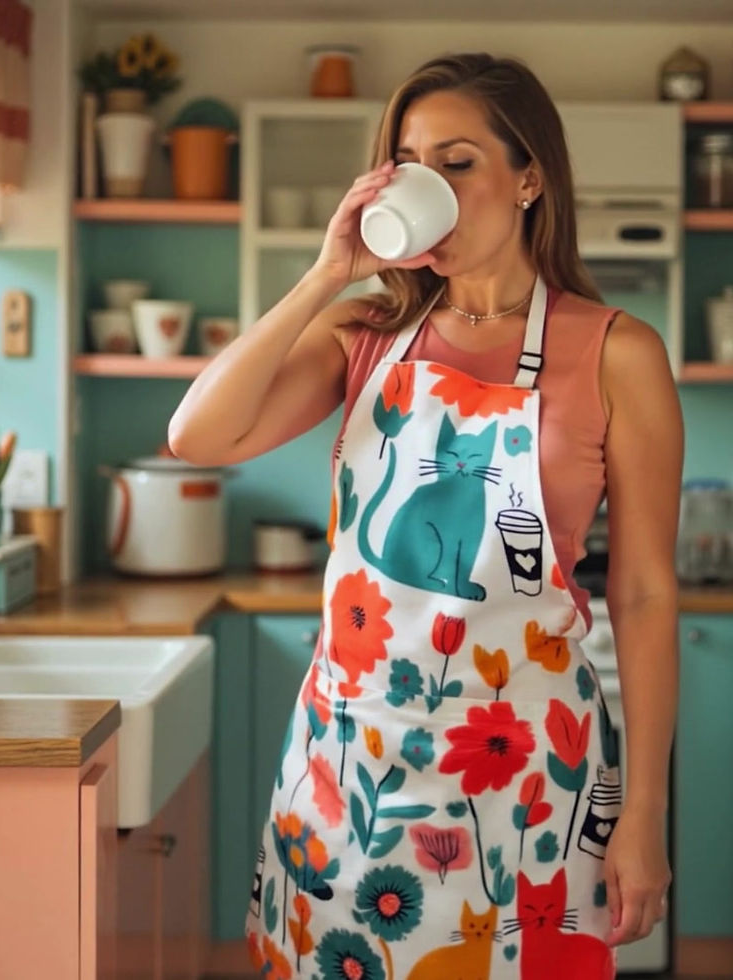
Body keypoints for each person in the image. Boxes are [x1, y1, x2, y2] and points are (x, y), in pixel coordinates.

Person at [169, 52, 682, 980]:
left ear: (530, 178)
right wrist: (327, 272)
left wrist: (641, 814)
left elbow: (645, 594)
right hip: (348, 769)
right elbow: (197, 436)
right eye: (410, 162)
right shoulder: (363, 333)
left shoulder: (618, 354)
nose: (427, 184)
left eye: (457, 161)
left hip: (527, 779)